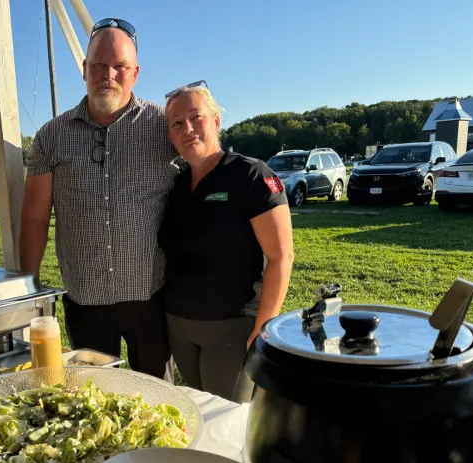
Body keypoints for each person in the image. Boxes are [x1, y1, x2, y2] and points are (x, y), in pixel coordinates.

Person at [20, 18, 179, 381]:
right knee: (93, 398)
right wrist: (30, 291)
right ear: (84, 69)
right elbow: (34, 218)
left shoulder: (164, 126)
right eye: (98, 65)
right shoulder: (51, 136)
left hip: (151, 296)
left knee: (156, 395)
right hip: (85, 299)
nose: (108, 74)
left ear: (135, 73)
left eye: (120, 66)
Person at [158, 83, 294, 400]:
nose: (187, 128)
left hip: (232, 328)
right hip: (180, 327)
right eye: (177, 123)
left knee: (228, 421)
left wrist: (263, 328)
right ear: (171, 136)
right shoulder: (175, 185)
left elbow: (281, 256)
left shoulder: (251, 176)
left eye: (196, 117)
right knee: (198, 415)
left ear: (216, 121)